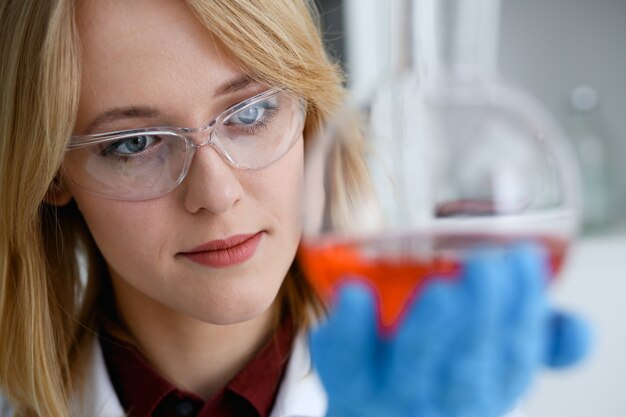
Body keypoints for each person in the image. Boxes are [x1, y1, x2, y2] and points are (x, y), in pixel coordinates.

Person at [0, 1, 590, 417]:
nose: (217, 193)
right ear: (52, 174)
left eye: (250, 113)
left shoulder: (434, 390)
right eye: (133, 143)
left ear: (308, 115)